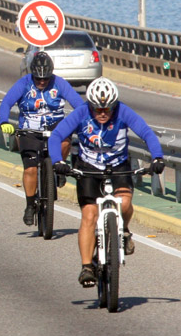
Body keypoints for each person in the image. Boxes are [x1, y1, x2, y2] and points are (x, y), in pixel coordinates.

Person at [49, 77, 165, 288]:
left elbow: (146, 132)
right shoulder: (81, 113)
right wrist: (58, 161)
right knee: (89, 215)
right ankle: (86, 266)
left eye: (107, 109)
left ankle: (125, 231)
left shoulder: (123, 112)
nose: (102, 113)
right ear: (90, 106)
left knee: (125, 203)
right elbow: (56, 136)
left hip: (118, 165)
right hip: (88, 167)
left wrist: (157, 157)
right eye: (97, 109)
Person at [0, 51, 84, 226]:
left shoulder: (60, 83)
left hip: (55, 127)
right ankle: (30, 205)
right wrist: (3, 122)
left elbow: (80, 105)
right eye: (38, 79)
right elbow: (6, 102)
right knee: (30, 169)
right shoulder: (23, 84)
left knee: (65, 141)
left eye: (46, 79)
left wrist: (81, 122)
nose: (42, 82)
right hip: (30, 128)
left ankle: (59, 168)